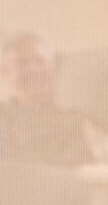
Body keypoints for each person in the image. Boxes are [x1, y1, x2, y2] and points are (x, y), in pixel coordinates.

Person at [0, 32, 101, 166]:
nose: (33, 69)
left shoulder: (74, 122)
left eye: (40, 61)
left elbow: (75, 167)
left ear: (53, 69)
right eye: (21, 62)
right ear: (5, 71)